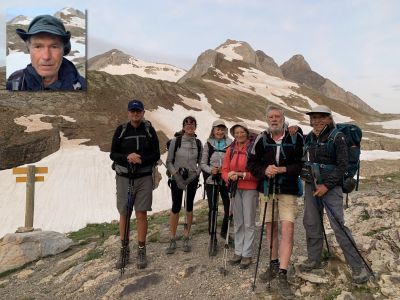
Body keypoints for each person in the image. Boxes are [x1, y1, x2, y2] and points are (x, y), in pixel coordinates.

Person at [300, 105, 370, 284]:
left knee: (338, 226)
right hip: (311, 185)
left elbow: (342, 165)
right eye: (313, 117)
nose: (316, 120)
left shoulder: (337, 137)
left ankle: (357, 267)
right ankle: (314, 259)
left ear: (329, 119)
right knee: (311, 222)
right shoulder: (309, 138)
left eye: (321, 117)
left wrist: (327, 186)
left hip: (330, 188)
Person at [247, 105, 303, 298]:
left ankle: (283, 272)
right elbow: (251, 163)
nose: (273, 119)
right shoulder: (261, 139)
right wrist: (265, 171)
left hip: (287, 190)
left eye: (277, 116)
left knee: (287, 228)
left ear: (283, 117)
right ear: (266, 119)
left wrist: (281, 170)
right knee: (270, 228)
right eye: (270, 117)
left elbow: (301, 164)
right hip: (267, 189)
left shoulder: (295, 137)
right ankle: (273, 263)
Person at [110, 99, 160, 269]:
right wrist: (127, 157)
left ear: (143, 112)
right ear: (128, 113)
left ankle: (141, 249)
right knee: (124, 213)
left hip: (144, 177)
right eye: (133, 111)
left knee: (141, 213)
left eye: (138, 111)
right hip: (124, 177)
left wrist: (141, 160)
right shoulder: (121, 130)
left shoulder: (149, 130)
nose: (135, 114)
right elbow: (113, 154)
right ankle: (124, 250)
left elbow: (156, 154)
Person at [6, 14, 86, 91]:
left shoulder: (83, 86)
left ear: (63, 50)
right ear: (28, 48)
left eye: (54, 47)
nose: (46, 56)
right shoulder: (14, 82)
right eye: (38, 47)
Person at [221, 122, 258, 269]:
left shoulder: (253, 149)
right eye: (237, 133)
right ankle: (238, 251)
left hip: (250, 188)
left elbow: (256, 172)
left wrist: (242, 175)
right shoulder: (231, 149)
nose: (239, 135)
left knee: (248, 221)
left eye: (242, 132)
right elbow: (224, 169)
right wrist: (228, 176)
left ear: (247, 133)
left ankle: (247, 254)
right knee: (238, 221)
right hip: (235, 188)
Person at [165, 116, 202, 254]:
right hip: (177, 177)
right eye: (187, 124)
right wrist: (176, 175)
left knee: (189, 206)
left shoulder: (198, 143)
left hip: (192, 178)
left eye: (192, 124)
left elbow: (201, 162)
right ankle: (172, 237)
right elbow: (169, 161)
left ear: (195, 126)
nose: (189, 126)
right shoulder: (176, 141)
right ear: (183, 126)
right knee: (176, 206)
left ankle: (186, 236)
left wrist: (196, 174)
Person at [200, 119, 232, 256]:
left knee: (229, 208)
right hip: (211, 180)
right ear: (213, 130)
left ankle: (224, 231)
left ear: (225, 130)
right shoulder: (208, 144)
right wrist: (211, 169)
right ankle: (212, 237)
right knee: (213, 209)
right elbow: (202, 163)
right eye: (217, 129)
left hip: (226, 179)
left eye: (222, 129)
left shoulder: (231, 143)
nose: (219, 131)